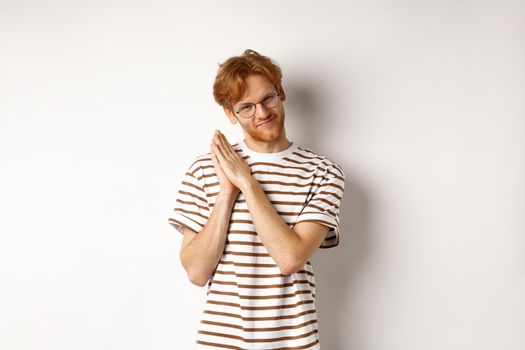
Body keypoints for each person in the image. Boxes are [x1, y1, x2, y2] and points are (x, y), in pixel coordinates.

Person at [168, 49, 346, 349]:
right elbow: (197, 272)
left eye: (268, 99)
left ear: (282, 93)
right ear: (230, 114)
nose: (262, 113)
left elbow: (290, 258)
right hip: (222, 342)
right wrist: (226, 192)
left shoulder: (323, 172)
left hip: (293, 342)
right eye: (246, 107)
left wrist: (248, 184)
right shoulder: (204, 169)